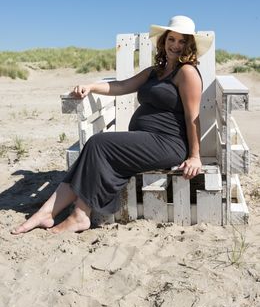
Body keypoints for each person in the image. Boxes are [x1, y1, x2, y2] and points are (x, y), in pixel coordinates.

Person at [12, 15, 213, 235]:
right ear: (163, 42)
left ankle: (77, 215)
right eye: (171, 39)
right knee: (95, 148)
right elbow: (121, 86)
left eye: (182, 41)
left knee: (99, 144)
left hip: (168, 143)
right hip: (146, 139)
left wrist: (195, 156)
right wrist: (90, 86)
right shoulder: (154, 72)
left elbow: (193, 117)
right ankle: (50, 213)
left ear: (189, 45)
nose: (175, 45)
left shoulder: (187, 73)